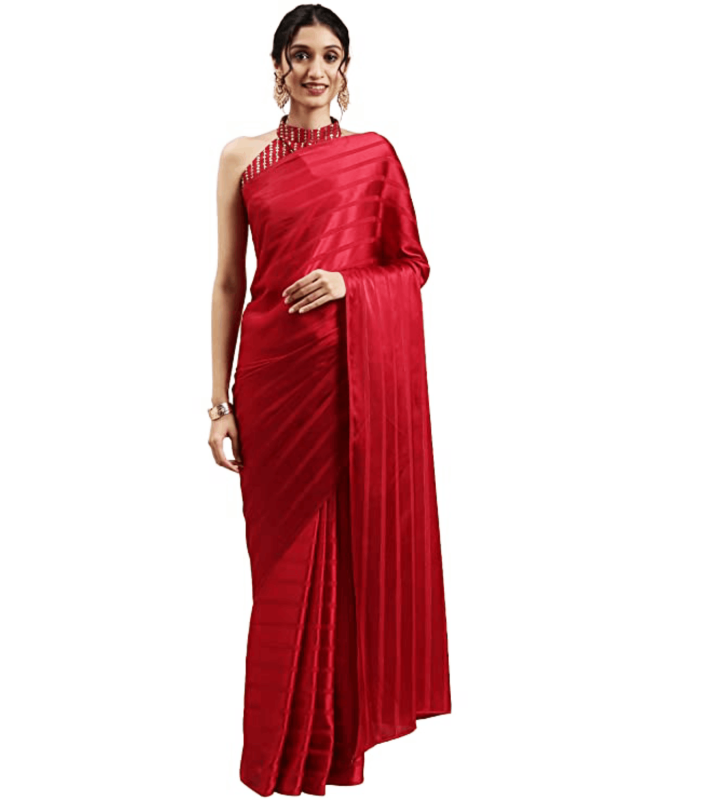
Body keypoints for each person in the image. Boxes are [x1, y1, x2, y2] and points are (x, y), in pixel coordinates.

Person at [209, 5, 452, 796]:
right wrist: (218, 402)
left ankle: (331, 750)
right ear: (278, 66)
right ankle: (275, 757)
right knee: (280, 571)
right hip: (272, 386)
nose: (316, 69)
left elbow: (412, 265)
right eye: (301, 54)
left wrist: (351, 284)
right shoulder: (241, 157)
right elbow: (228, 282)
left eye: (331, 56)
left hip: (347, 384)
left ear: (345, 70)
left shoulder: (373, 157)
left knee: (343, 560)